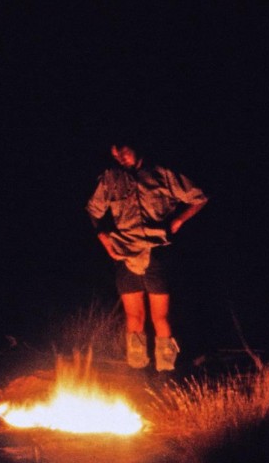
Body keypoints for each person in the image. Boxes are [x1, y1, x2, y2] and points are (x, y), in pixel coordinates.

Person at [86, 143, 208, 371]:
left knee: (160, 318)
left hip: (156, 252)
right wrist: (103, 236)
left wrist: (178, 221)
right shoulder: (111, 178)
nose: (120, 158)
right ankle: (137, 371)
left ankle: (165, 372)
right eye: (114, 155)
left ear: (136, 145)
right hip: (125, 254)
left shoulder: (162, 174)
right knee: (134, 318)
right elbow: (93, 210)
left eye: (122, 151)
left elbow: (198, 197)